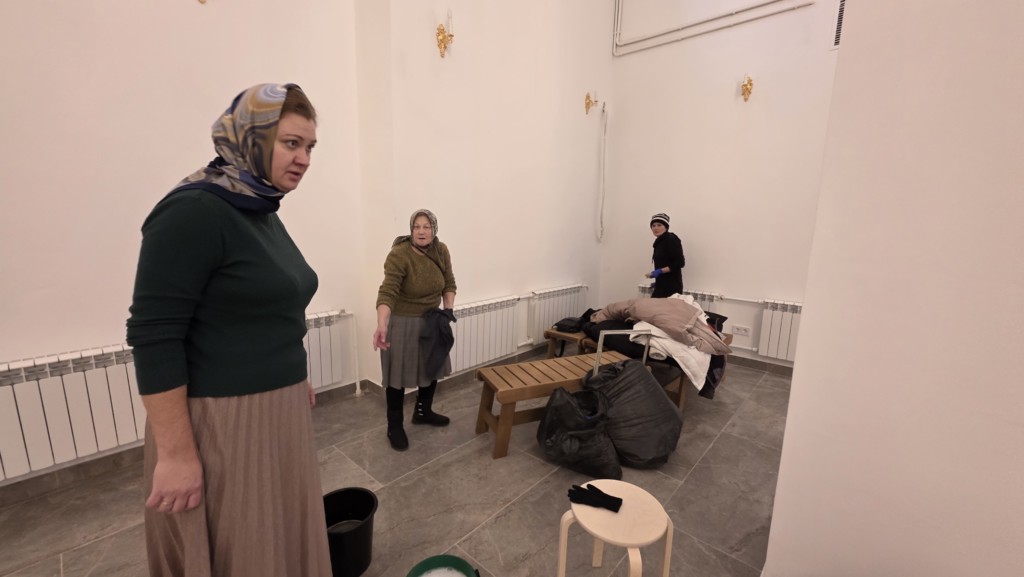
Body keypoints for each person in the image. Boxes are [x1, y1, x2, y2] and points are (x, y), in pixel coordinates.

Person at [126, 83, 330, 577]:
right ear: (250, 138)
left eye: (310, 147)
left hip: (279, 407)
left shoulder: (259, 209)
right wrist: (176, 455)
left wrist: (294, 373)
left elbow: (268, 310)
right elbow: (154, 335)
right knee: (247, 544)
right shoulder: (194, 210)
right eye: (291, 143)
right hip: (224, 422)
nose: (304, 159)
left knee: (278, 535)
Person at [373, 209, 457, 451]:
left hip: (432, 320)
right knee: (397, 377)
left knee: (432, 368)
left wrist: (447, 311)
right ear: (411, 230)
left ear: (434, 229)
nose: (421, 231)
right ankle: (394, 426)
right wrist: (382, 323)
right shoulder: (399, 254)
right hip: (403, 322)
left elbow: (449, 282)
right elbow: (388, 291)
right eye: (417, 227)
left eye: (426, 226)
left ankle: (423, 412)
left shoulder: (441, 250)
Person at [645, 212, 685, 298]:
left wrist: (659, 271)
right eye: (653, 226)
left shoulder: (671, 239)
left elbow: (680, 263)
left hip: (672, 287)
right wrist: (659, 281)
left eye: (659, 225)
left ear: (666, 227)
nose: (656, 228)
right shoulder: (659, 242)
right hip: (662, 285)